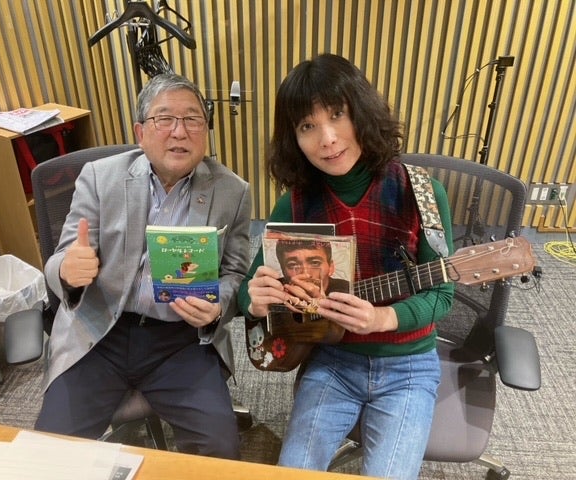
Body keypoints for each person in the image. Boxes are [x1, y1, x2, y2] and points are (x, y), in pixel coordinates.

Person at [238, 53, 454, 479]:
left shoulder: (423, 193)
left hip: (409, 365)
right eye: (307, 126)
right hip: (332, 359)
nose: (328, 139)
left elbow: (443, 293)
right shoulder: (295, 203)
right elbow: (251, 290)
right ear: (294, 139)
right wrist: (256, 299)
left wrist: (382, 317)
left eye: (337, 115)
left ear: (363, 112)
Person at [35, 73, 251, 460]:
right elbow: (59, 261)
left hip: (182, 340)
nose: (180, 132)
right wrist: (68, 270)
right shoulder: (100, 177)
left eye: (193, 119)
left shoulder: (232, 191)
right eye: (164, 119)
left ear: (205, 130)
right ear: (141, 132)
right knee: (50, 451)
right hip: (101, 331)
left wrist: (218, 303)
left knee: (220, 449)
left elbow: (236, 273)